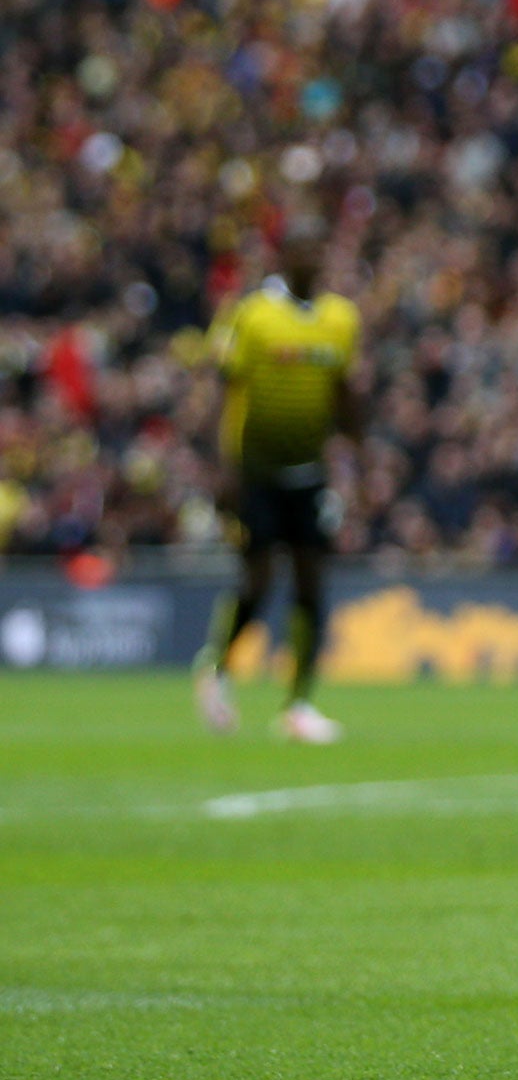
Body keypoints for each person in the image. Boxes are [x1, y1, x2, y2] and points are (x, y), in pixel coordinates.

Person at [192, 223, 362, 743]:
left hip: (310, 471)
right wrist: (221, 469)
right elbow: (224, 388)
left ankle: (299, 704)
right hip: (255, 469)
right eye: (303, 249)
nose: (313, 258)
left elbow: (344, 394)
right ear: (283, 257)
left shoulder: (340, 318)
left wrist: (355, 461)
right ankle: (216, 667)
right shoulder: (253, 314)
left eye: (319, 248)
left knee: (312, 581)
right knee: (259, 579)